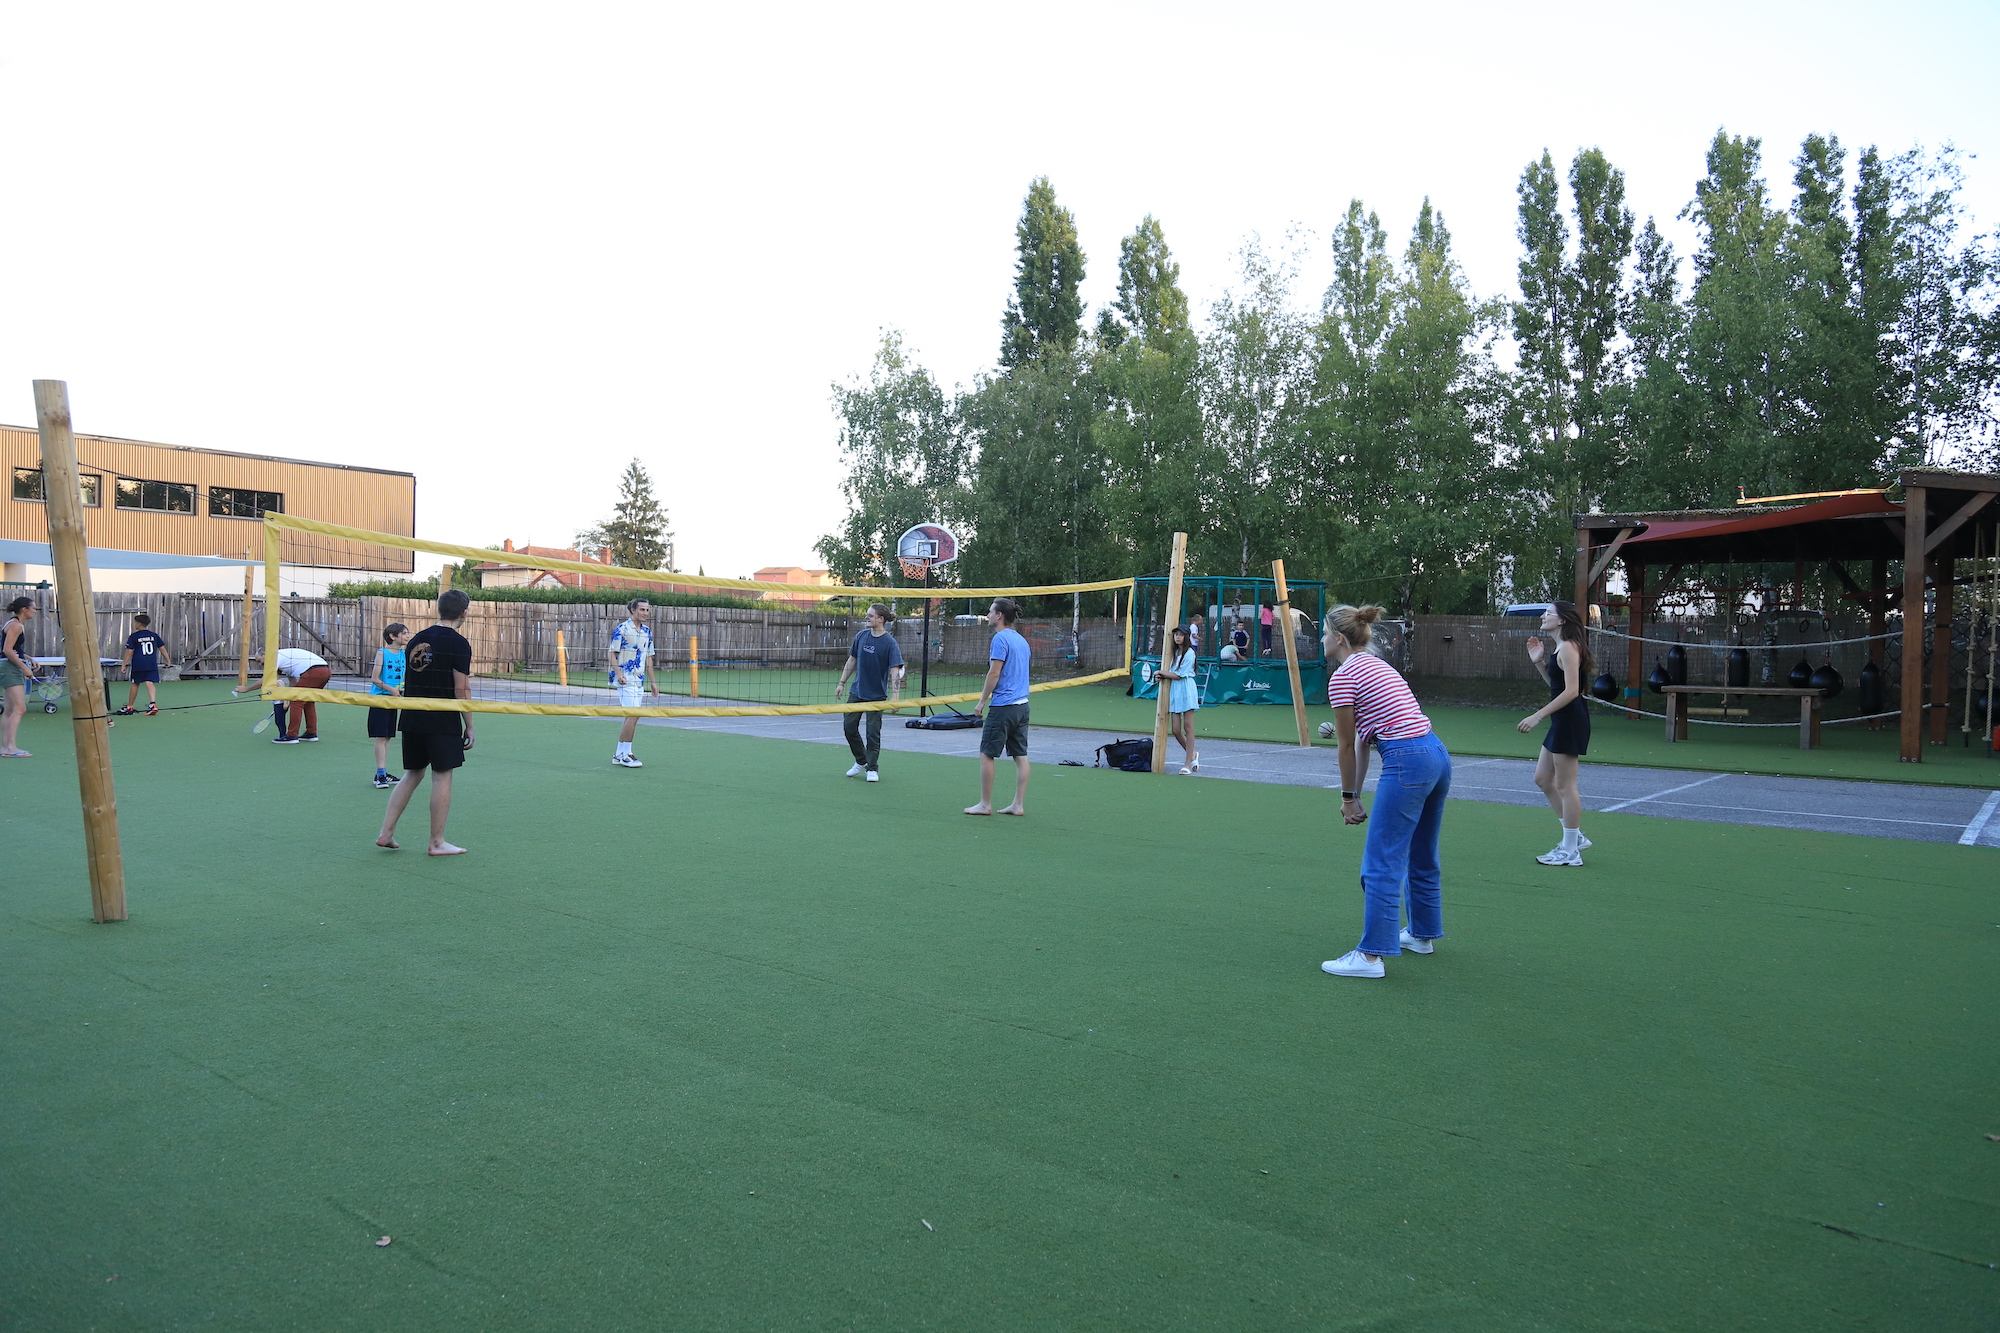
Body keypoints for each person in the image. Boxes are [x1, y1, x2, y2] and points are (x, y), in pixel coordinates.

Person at [1320, 604, 1451, 980]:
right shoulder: (1378, 665)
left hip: (1407, 759)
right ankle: (1422, 934)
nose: (1323, 640)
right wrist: (1355, 793)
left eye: (1326, 634)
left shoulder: (1344, 676)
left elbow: (1345, 746)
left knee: (1381, 862)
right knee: (1421, 852)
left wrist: (1347, 800)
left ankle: (1370, 956)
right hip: (1436, 754)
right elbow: (1363, 742)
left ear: (1340, 639)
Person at [378, 588, 474, 855]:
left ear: (439, 609)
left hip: (412, 715)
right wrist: (470, 724)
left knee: (412, 773)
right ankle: (436, 842)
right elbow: (461, 689)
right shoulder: (459, 643)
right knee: (442, 778)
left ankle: (386, 833)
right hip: (441, 718)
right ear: (464, 612)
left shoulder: (417, 638)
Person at [1519, 600, 1594, 866]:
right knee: (1542, 778)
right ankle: (1576, 838)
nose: (1543, 616)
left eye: (1548, 613)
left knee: (1565, 785)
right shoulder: (1561, 648)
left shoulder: (1570, 648)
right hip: (1562, 721)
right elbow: (1557, 685)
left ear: (1562, 620)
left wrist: (1538, 715)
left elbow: (1572, 692)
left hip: (1570, 721)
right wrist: (1539, 662)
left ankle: (1570, 850)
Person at [965, 597, 1031, 816]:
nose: (988, 615)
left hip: (1004, 707)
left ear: (1000, 615)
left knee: (987, 754)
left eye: (991, 612)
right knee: (1020, 756)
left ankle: (985, 804)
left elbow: (995, 672)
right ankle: (1018, 805)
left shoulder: (1000, 639)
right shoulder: (1021, 640)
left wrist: (982, 701)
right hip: (1022, 706)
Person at [833, 602, 904, 782]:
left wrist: (895, 697)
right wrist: (841, 683)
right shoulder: (861, 636)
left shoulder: (890, 643)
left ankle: (872, 768)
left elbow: (895, 671)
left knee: (873, 733)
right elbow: (851, 661)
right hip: (857, 692)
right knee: (849, 727)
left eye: (870, 615)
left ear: (880, 619)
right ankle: (861, 761)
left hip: (877, 696)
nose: (867, 618)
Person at [608, 598, 657, 768]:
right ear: (633, 610)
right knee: (633, 713)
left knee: (632, 716)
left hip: (639, 680)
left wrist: (653, 682)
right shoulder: (622, 629)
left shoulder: (647, 632)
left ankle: (618, 754)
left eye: (647, 610)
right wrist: (619, 673)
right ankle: (626, 754)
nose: (645, 613)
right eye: (642, 609)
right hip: (625, 679)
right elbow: (611, 654)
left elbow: (648, 657)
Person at [367, 623, 410, 788]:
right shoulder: (382, 653)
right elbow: (375, 679)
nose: (407, 636)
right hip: (381, 700)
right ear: (393, 636)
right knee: (381, 736)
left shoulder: (404, 654)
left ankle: (383, 772)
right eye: (404, 633)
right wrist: (391, 689)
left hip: (394, 700)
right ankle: (380, 774)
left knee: (387, 737)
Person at [1156, 624, 1200, 774]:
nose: (1178, 637)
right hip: (1175, 691)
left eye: (1181, 634)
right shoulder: (1174, 654)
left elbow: (1179, 675)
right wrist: (1160, 675)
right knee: (1175, 729)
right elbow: (1171, 673)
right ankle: (1193, 754)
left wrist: (1161, 672)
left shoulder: (1189, 654)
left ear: (1186, 637)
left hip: (1186, 689)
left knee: (1188, 726)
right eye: (1176, 634)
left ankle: (1188, 763)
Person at [1, 597, 38, 758]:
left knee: (9, 710)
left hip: (7, 666)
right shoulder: (16, 626)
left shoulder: (12, 623)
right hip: (10, 668)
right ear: (25, 609)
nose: (35, 611)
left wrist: (28, 659)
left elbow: (11, 649)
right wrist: (24, 668)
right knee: (19, 708)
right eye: (33, 608)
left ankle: (5, 747)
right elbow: (7, 650)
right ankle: (11, 748)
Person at [271, 646, 332, 743]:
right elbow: (293, 683)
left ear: (264, 655)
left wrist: (246, 689)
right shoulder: (286, 661)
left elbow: (266, 680)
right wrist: (287, 698)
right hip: (326, 671)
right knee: (308, 701)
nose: (260, 663)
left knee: (296, 701)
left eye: (259, 660)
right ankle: (311, 733)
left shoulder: (272, 657)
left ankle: (292, 736)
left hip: (313, 671)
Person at [116, 613, 170, 716]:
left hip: (138, 663)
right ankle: (153, 704)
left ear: (139, 624)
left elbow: (129, 652)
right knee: (149, 682)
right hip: (151, 663)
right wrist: (168, 661)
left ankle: (130, 706)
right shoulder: (154, 635)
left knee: (135, 683)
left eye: (135, 622)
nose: (134, 624)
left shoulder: (134, 636)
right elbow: (162, 649)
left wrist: (123, 665)